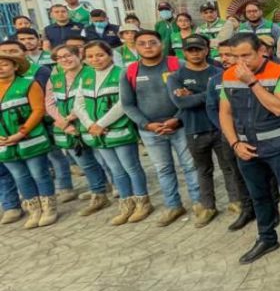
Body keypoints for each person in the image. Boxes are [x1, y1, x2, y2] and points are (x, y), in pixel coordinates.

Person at [220, 32, 280, 264]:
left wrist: (252, 82)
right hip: (247, 149)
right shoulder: (229, 75)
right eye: (235, 56)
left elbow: (279, 107)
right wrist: (235, 143)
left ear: (261, 51)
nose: (240, 62)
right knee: (259, 196)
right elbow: (225, 113)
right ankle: (267, 237)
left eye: (246, 55)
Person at [119, 29, 202, 226]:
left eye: (152, 42)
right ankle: (173, 206)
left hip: (181, 126)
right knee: (163, 169)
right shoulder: (130, 71)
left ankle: (200, 203)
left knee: (191, 166)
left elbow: (192, 95)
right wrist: (147, 124)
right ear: (135, 47)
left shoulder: (178, 65)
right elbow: (128, 105)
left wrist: (177, 119)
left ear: (161, 44)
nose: (148, 47)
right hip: (150, 131)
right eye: (142, 44)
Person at [167, 35, 243, 227]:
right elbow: (181, 103)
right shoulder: (176, 77)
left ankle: (236, 201)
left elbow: (227, 97)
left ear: (207, 50)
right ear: (184, 52)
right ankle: (208, 206)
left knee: (229, 167)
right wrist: (208, 94)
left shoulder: (219, 72)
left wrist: (195, 95)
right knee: (203, 169)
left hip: (220, 127)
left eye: (199, 49)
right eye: (190, 50)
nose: (195, 53)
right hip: (195, 128)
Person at [75, 42, 151, 225]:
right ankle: (126, 204)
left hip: (119, 130)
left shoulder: (121, 73)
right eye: (90, 56)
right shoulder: (85, 75)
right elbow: (78, 103)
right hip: (97, 134)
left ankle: (143, 203)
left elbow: (123, 103)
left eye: (100, 55)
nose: (95, 59)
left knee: (131, 167)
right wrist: (90, 125)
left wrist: (101, 123)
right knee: (116, 170)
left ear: (110, 55)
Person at [45, 43, 112, 218]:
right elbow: (49, 103)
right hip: (68, 129)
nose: (65, 60)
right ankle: (98, 192)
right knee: (85, 163)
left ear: (78, 55)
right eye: (60, 58)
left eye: (68, 55)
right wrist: (63, 123)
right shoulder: (55, 79)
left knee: (104, 159)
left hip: (90, 123)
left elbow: (87, 100)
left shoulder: (91, 72)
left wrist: (71, 117)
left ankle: (115, 186)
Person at [0, 51, 56, 228]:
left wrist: (21, 133)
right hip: (4, 144)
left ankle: (49, 208)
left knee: (40, 174)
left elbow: (38, 110)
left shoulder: (28, 84)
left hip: (31, 139)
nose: (1, 68)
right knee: (20, 177)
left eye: (5, 64)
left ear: (15, 66)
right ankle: (34, 210)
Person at [203, 42, 256, 230]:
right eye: (221, 55)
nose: (224, 59)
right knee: (236, 173)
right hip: (230, 137)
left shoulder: (253, 75)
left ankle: (271, 207)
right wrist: (226, 130)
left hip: (253, 133)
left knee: (264, 174)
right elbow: (212, 107)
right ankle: (247, 209)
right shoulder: (216, 80)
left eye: (229, 54)